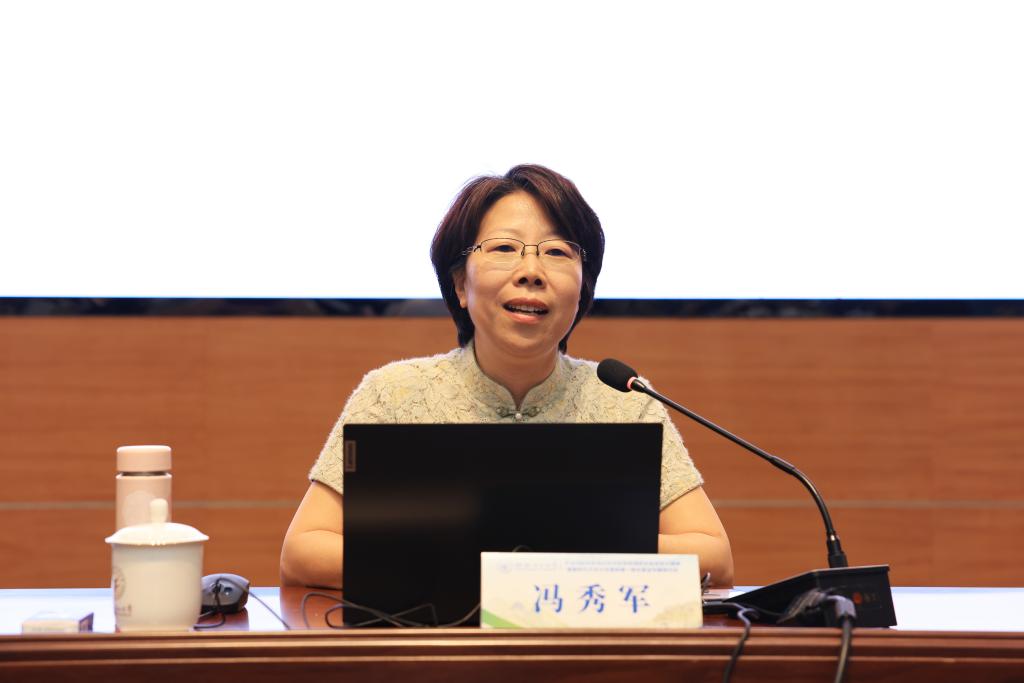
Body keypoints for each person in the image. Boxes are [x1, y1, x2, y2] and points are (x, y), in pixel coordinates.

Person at [280, 164, 734, 588]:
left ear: (583, 289)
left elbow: (714, 557)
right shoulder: (394, 393)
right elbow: (303, 550)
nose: (531, 272)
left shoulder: (623, 400)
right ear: (460, 284)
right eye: (503, 249)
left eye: (556, 252)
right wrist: (497, 555)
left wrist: (538, 551)